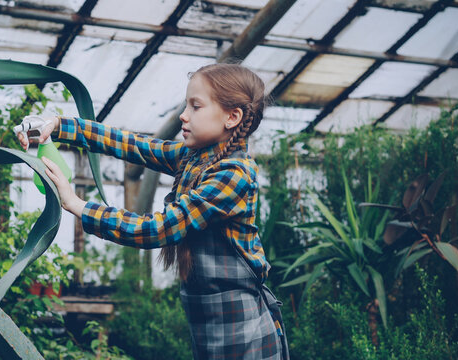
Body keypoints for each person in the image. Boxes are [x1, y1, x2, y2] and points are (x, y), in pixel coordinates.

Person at [17, 63, 289, 360]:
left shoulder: (233, 175)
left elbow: (159, 229)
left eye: (196, 106)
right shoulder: (193, 158)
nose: (184, 115)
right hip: (208, 320)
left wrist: (78, 205)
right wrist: (59, 125)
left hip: (242, 327)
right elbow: (133, 145)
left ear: (232, 117)